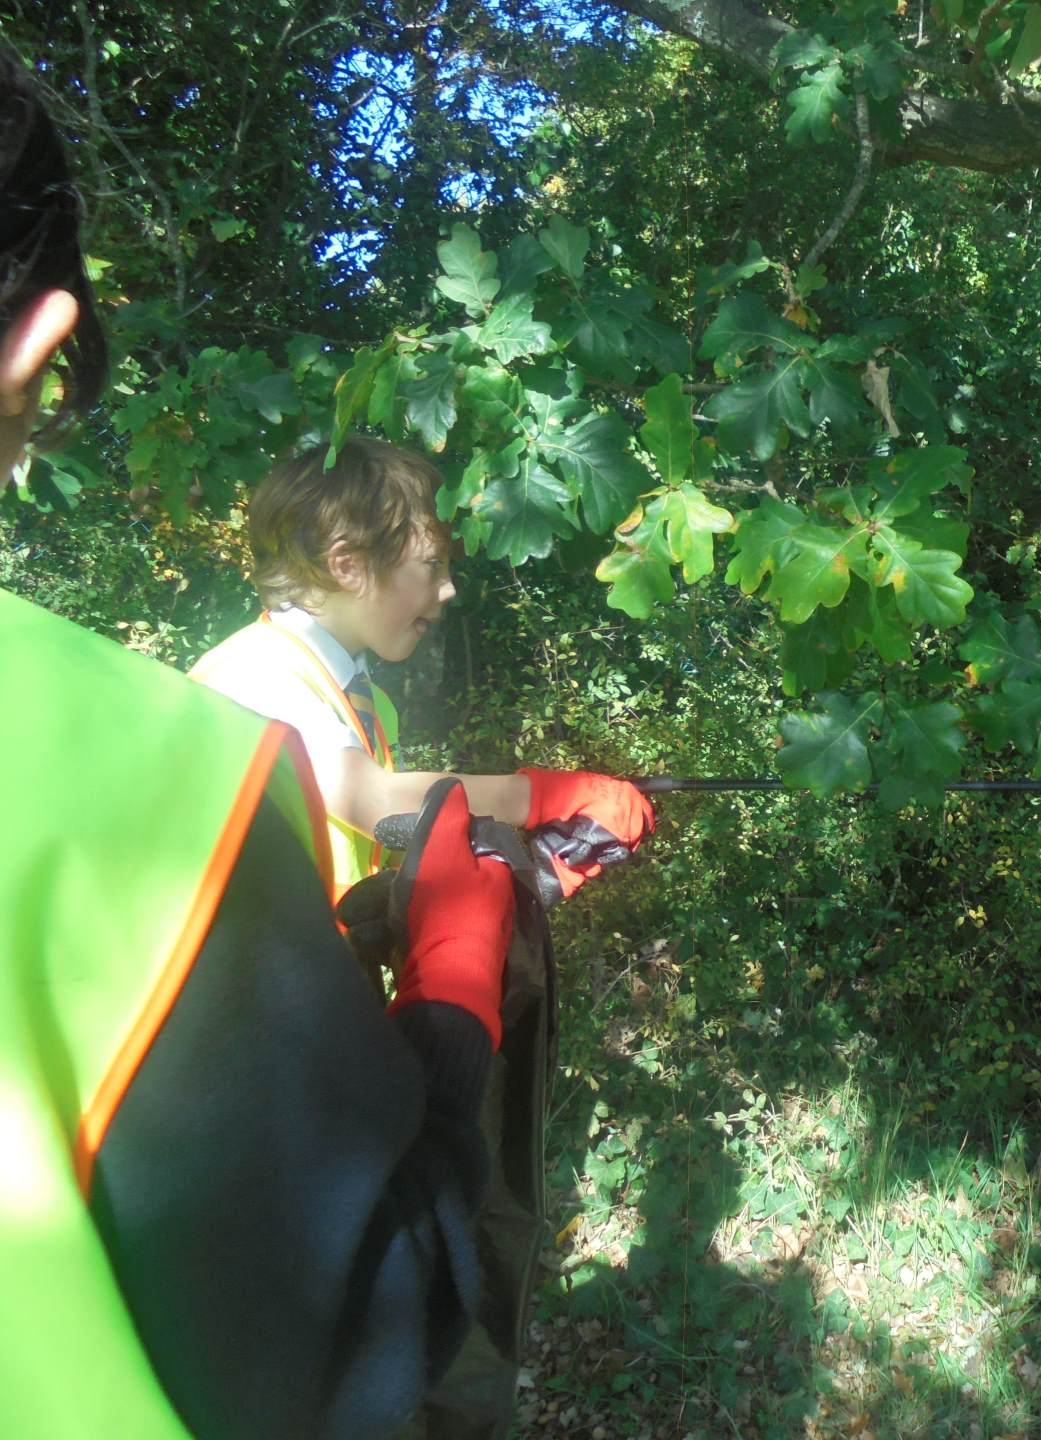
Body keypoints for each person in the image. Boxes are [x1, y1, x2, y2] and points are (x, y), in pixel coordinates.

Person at [2, 56, 523, 1439]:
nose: (446, 591)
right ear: (36, 344)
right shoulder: (184, 733)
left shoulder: (324, 686)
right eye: (432, 562)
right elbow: (341, 1308)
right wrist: (461, 980)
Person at [189, 435, 654, 904]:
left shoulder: (360, 697)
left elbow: (374, 848)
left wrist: (516, 884)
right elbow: (376, 802)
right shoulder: (256, 671)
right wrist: (545, 797)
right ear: (348, 566)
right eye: (432, 565)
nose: (448, 589)